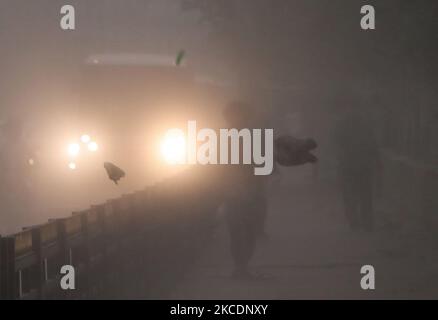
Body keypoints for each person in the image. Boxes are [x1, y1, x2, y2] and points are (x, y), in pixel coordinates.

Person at [334, 107, 381, 231]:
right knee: (365, 195)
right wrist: (377, 162)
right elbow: (373, 144)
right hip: (363, 165)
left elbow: (337, 146)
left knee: (350, 195)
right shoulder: (365, 126)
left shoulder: (342, 126)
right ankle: (367, 223)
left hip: (348, 165)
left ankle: (354, 223)